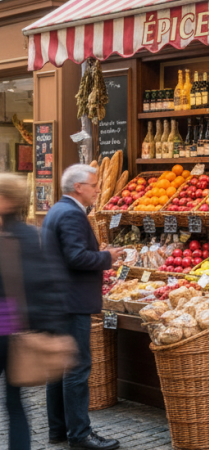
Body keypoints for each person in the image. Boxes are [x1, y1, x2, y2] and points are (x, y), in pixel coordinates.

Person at [42, 164, 123, 450]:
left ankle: (58, 430)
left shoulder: (56, 210)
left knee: (58, 368)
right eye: (93, 185)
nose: (98, 189)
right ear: (78, 187)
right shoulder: (72, 214)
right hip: (72, 302)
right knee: (77, 368)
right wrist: (107, 257)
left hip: (57, 300)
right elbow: (76, 257)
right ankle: (80, 434)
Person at [0, 173, 67, 450]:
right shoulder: (31, 235)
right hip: (17, 329)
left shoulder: (13, 237)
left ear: (6, 200)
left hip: (9, 331)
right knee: (14, 402)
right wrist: (50, 327)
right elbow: (48, 283)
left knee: (14, 402)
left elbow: (42, 284)